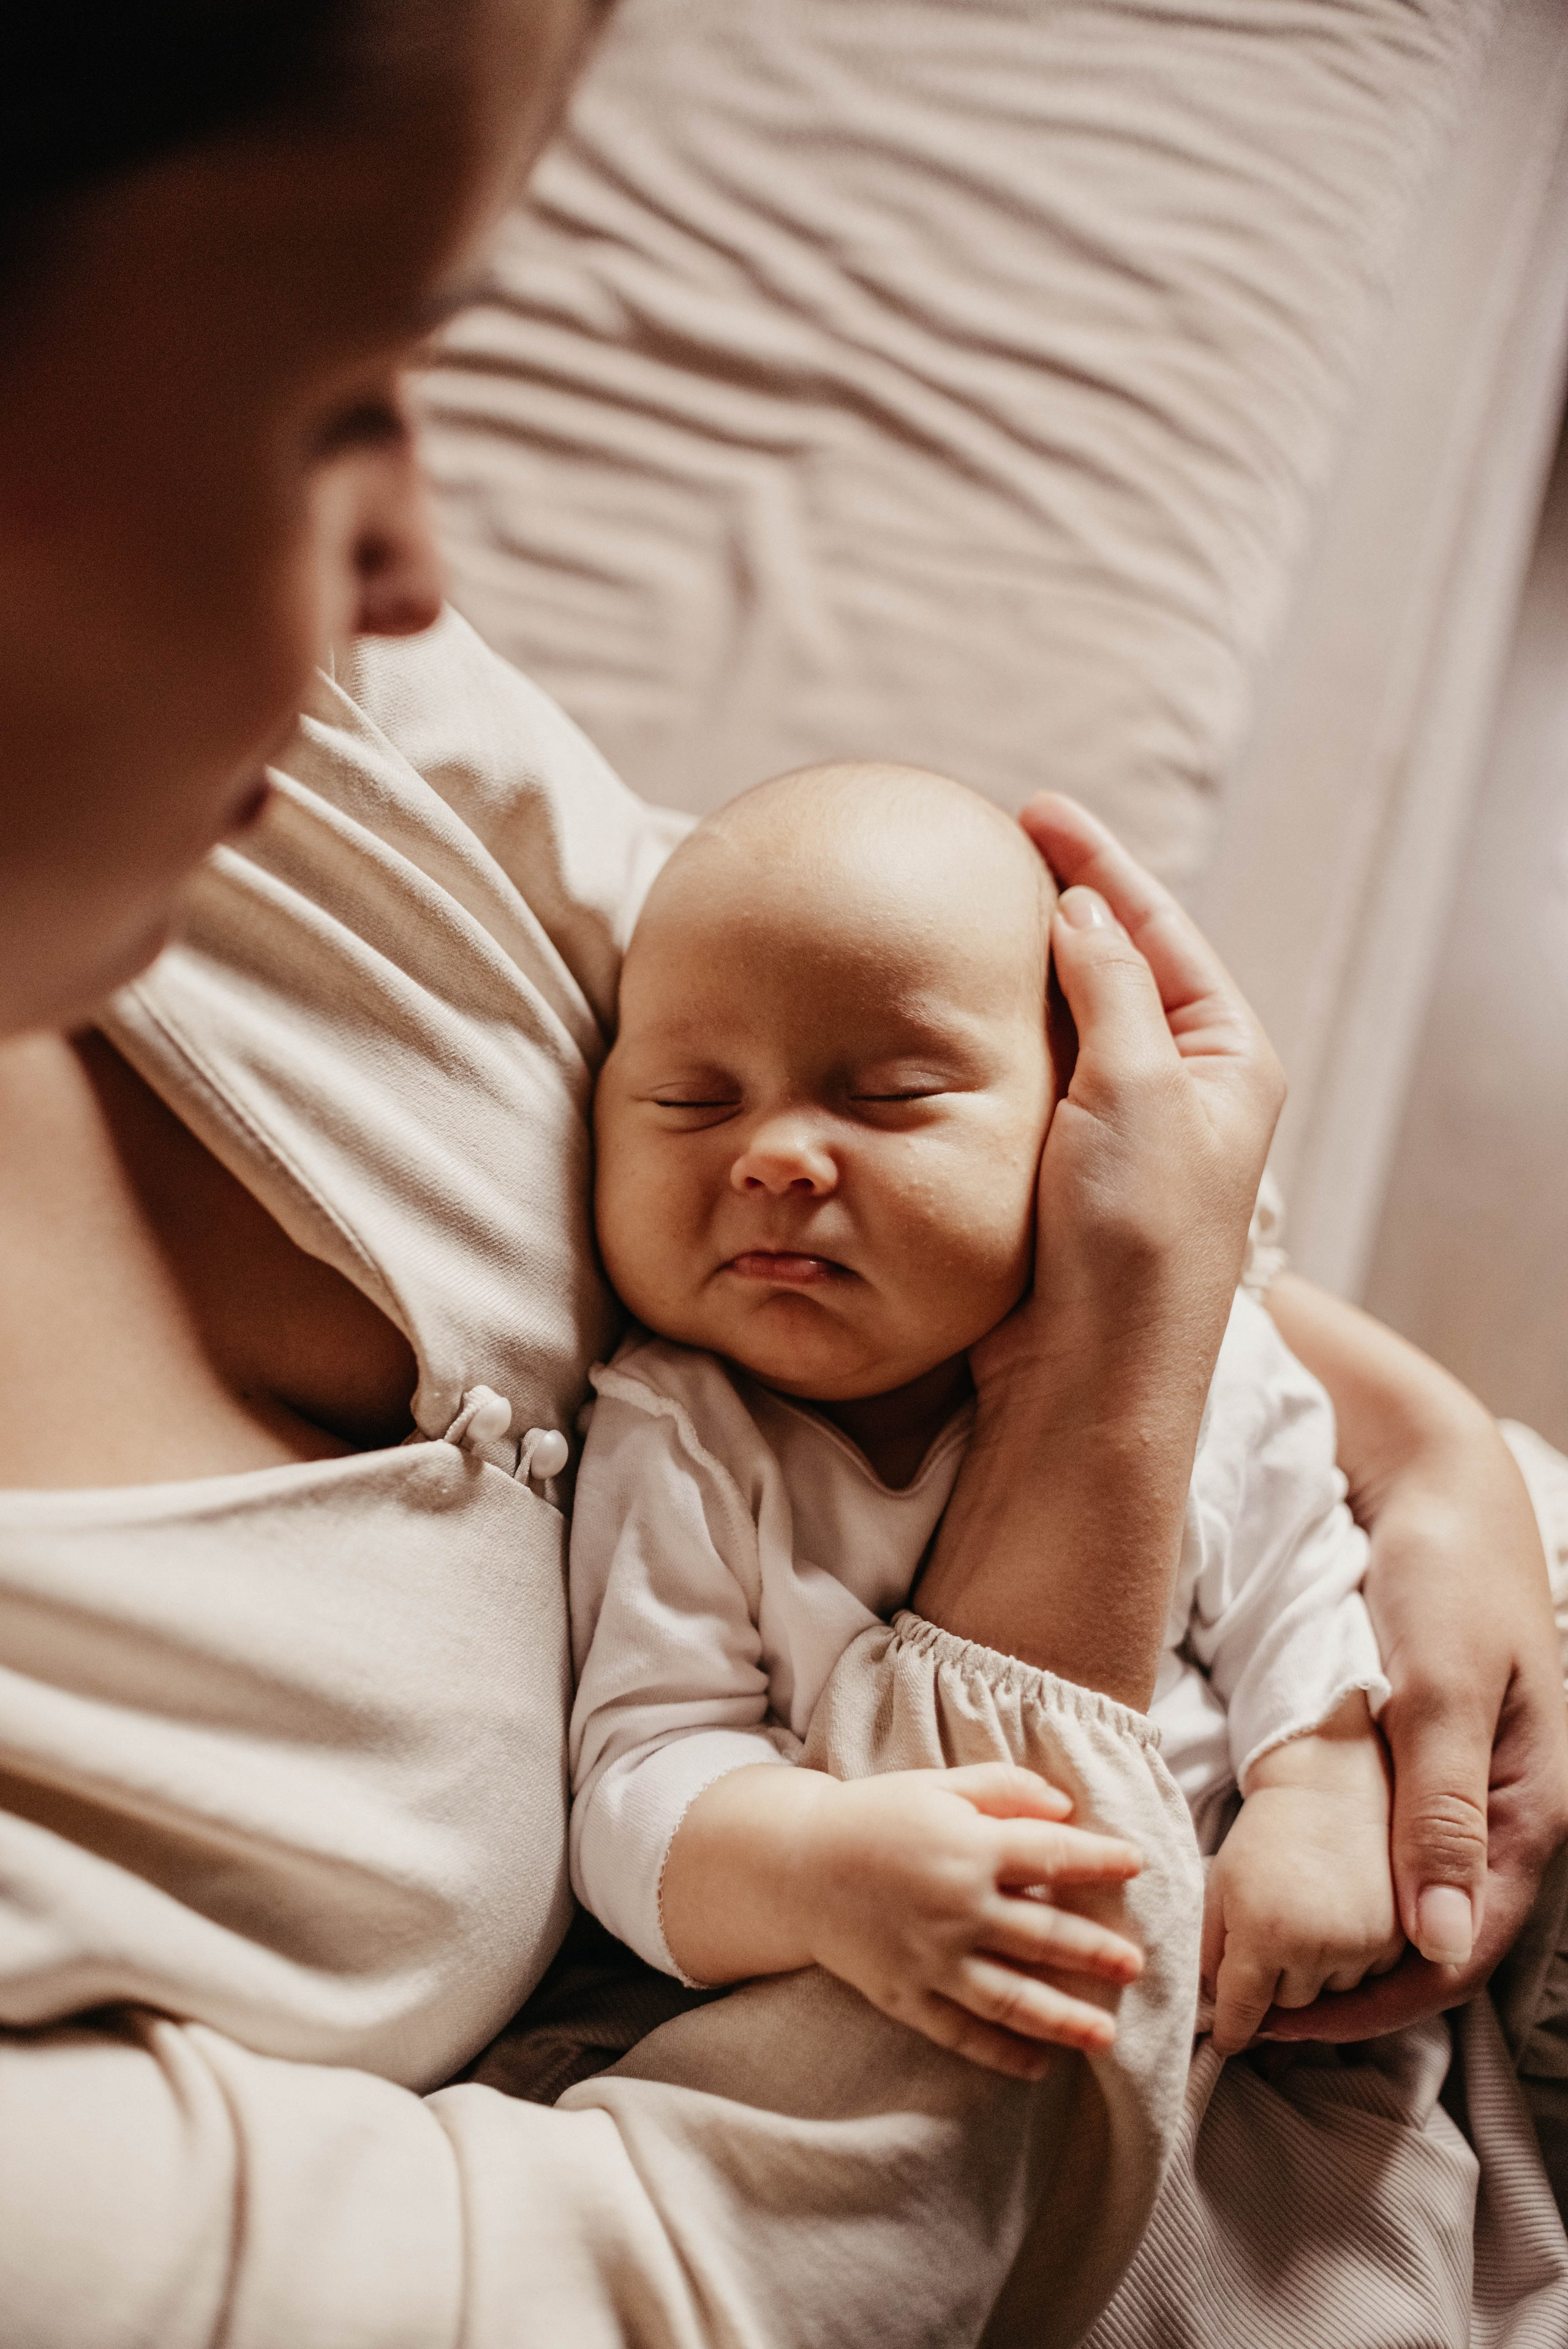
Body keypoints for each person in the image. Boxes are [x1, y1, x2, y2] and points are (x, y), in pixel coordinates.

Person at [0, 4, 1562, 2343]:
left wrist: (1418, 1457)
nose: (422, 578)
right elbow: (710, 2279)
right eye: (337, 400)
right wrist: (1117, 1383)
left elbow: (793, 986)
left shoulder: (287, 731)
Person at [569, 760, 1400, 2066]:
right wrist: (815, 1867)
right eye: (691, 1100)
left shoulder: (1199, 1357)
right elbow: (638, 1774)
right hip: (921, 2040)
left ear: (1074, 1121)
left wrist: (1319, 1784)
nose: (773, 1154)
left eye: (889, 1095)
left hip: (1247, 1995)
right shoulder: (681, 1436)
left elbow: (1301, 1577)